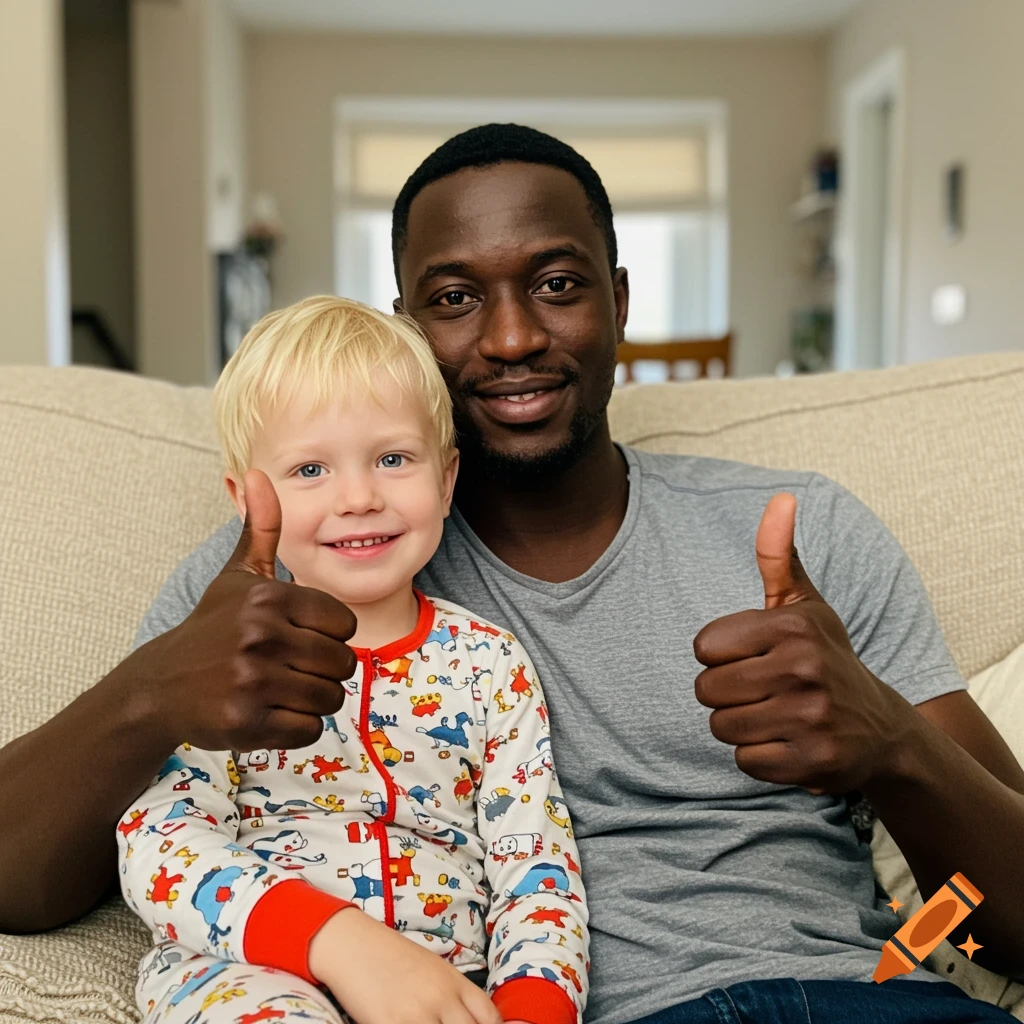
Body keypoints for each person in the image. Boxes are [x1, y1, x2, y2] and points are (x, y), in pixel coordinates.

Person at [2, 124, 1023, 1024]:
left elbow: (1005, 930)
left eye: (558, 283)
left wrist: (892, 745)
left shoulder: (801, 533)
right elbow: (27, 879)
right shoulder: (279, 574)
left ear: (618, 301)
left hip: (874, 998)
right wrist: (147, 697)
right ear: (404, 322)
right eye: (453, 298)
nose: (511, 337)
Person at [117, 296, 588, 1024]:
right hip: (248, 972)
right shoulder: (219, 656)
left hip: (448, 985)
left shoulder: (490, 664)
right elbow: (162, 840)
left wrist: (533, 1003)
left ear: (447, 478)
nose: (360, 497)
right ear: (247, 501)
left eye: (393, 459)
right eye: (310, 469)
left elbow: (536, 865)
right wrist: (324, 940)